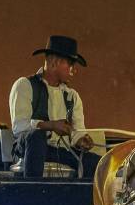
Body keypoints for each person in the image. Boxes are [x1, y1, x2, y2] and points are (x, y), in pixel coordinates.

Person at [9, 35, 99, 178]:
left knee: (95, 162)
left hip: (58, 152)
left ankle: (84, 198)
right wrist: (50, 125)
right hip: (29, 149)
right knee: (36, 137)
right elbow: (19, 127)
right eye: (69, 64)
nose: (72, 70)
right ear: (53, 62)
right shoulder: (25, 85)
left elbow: (77, 131)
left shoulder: (72, 96)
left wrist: (81, 140)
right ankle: (33, 193)